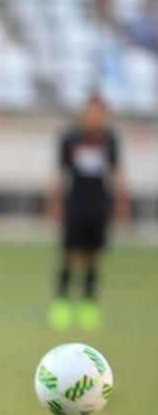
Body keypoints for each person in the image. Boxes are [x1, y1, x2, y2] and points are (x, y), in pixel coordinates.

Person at [46, 94, 131, 331]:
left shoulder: (109, 140)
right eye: (90, 112)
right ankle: (61, 303)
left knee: (94, 257)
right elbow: (61, 171)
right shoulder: (71, 139)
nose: (94, 117)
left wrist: (122, 202)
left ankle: (88, 305)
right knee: (69, 254)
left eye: (98, 113)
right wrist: (54, 201)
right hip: (75, 202)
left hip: (99, 204)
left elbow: (116, 171)